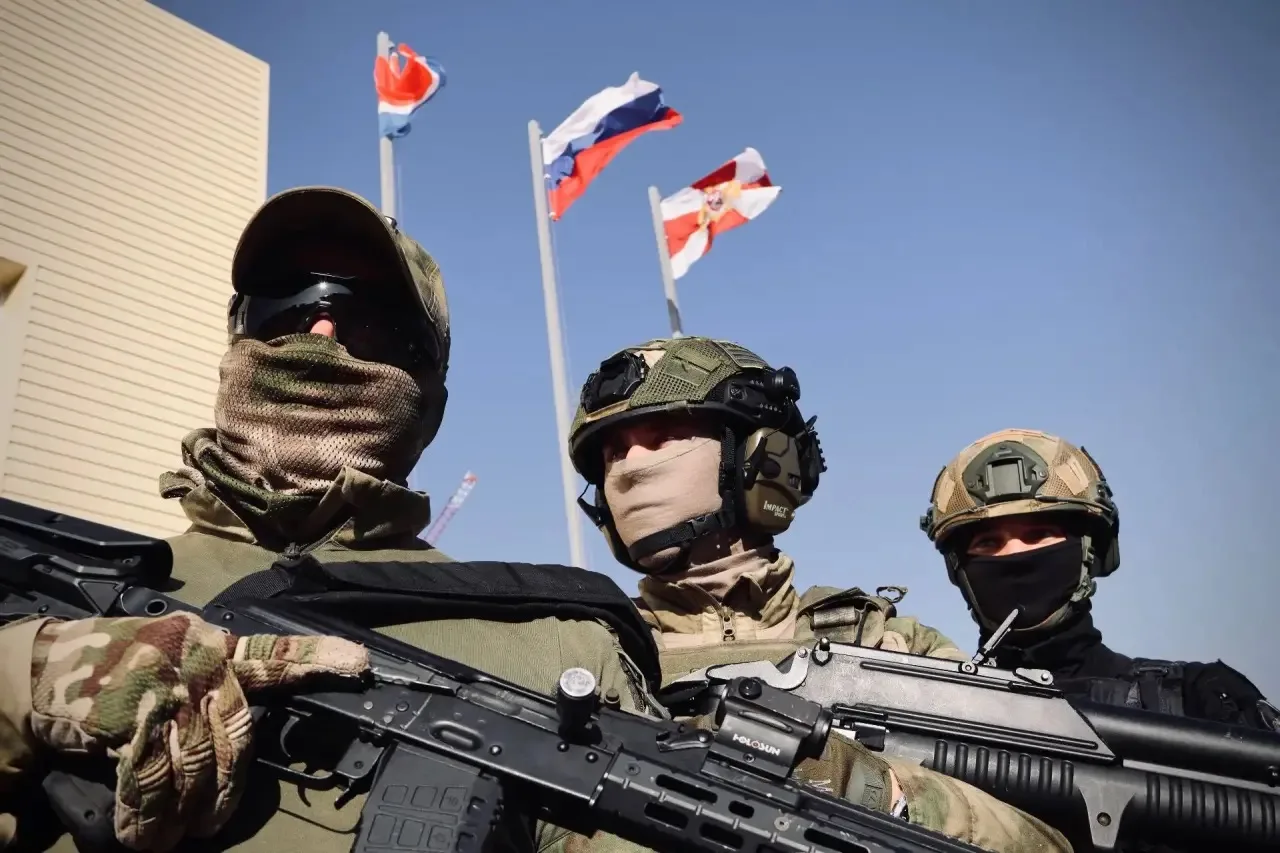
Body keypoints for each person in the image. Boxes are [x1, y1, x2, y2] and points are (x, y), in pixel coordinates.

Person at [0, 187, 663, 853]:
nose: (318, 337)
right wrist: (22, 682)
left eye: (369, 322)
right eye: (284, 310)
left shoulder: (555, 650)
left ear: (429, 398)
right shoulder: (65, 596)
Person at [567, 336, 1073, 853]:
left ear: (764, 458)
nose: (630, 465)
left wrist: (877, 790)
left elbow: (1047, 838)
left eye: (662, 437)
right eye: (612, 453)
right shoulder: (583, 656)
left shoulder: (884, 645)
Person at [920, 427, 1279, 732]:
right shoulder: (929, 705)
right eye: (988, 543)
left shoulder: (1198, 699)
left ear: (1090, 552)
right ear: (958, 570)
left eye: (1039, 535)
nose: (1014, 555)